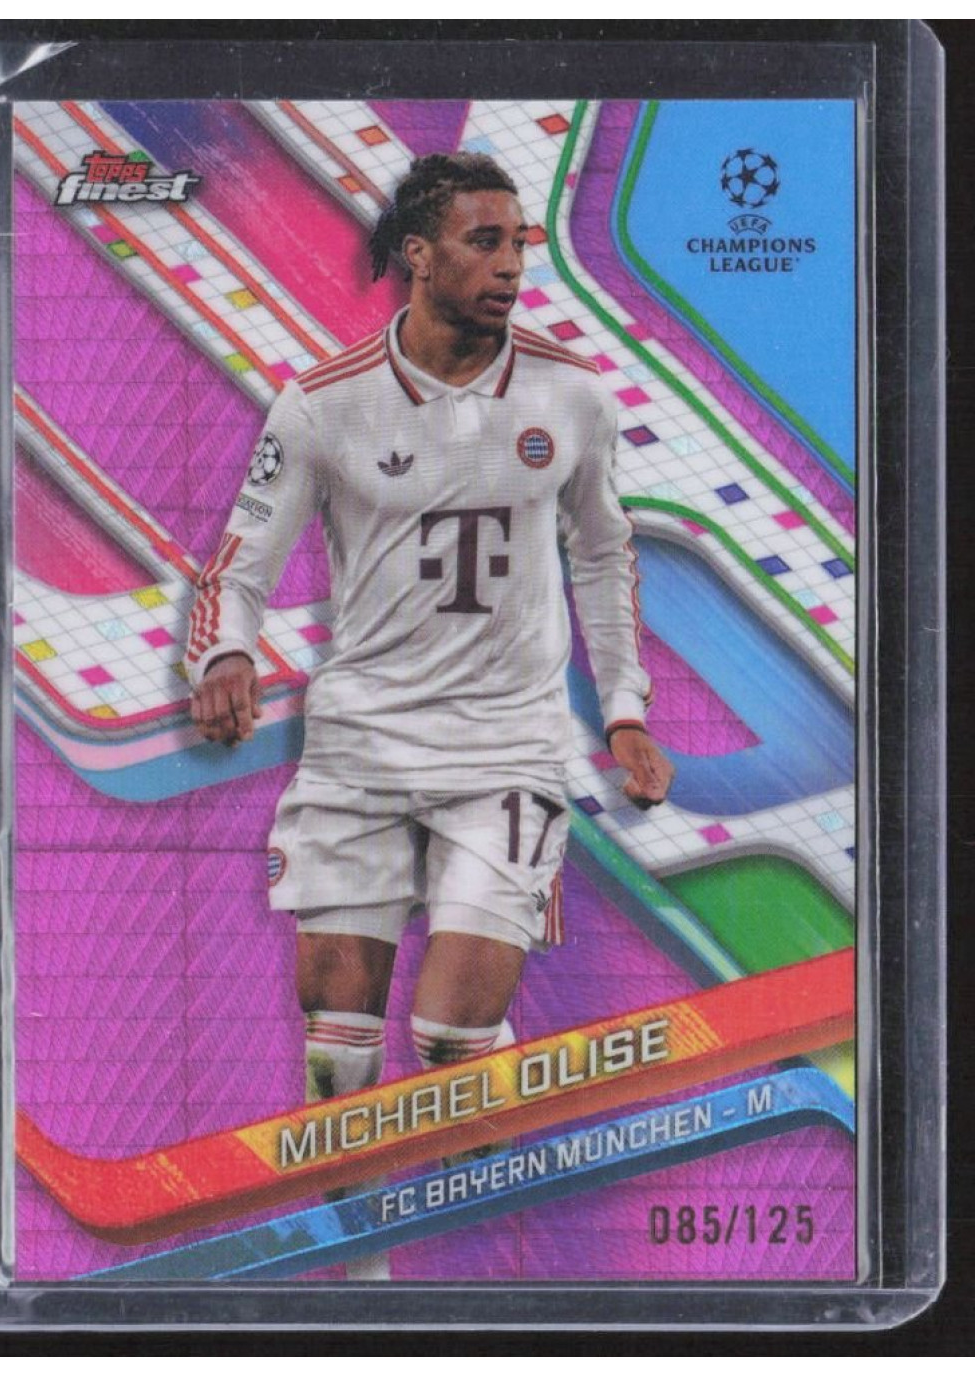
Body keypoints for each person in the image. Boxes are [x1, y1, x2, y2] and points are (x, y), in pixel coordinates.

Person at [187, 152, 674, 1271]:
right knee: (338, 1042)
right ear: (418, 253)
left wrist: (625, 713)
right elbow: (238, 563)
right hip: (358, 748)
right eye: (483, 242)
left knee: (451, 1038)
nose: (511, 266)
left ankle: (487, 1153)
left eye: (520, 244)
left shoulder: (571, 395)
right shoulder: (323, 403)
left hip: (506, 749)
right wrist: (225, 654)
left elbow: (605, 558)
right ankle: (357, 1268)